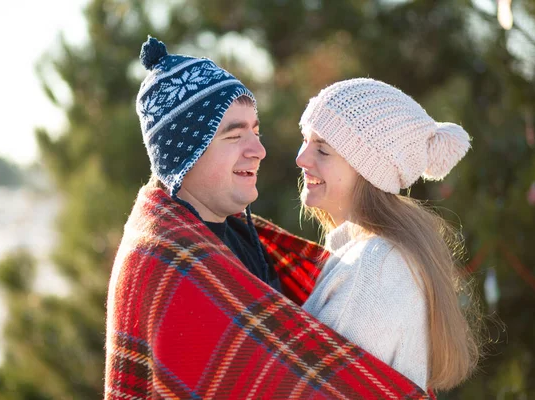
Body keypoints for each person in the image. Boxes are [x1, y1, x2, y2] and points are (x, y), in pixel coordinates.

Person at [105, 37, 432, 399]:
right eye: (235, 136)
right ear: (186, 154)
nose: (258, 150)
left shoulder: (247, 241)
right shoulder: (166, 266)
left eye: (256, 132)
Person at [297, 78, 481, 392]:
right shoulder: (371, 255)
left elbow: (315, 391)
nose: (301, 158)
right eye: (305, 139)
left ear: (367, 170)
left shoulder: (374, 267)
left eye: (322, 150)